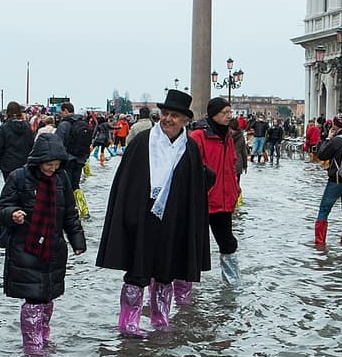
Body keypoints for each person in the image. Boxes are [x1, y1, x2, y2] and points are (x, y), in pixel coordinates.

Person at [96, 89, 210, 337]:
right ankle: (129, 323)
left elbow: (195, 187)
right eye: (165, 114)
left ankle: (160, 320)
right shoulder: (142, 141)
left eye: (174, 116)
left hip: (173, 222)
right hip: (142, 218)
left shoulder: (190, 148)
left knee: (165, 273)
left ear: (185, 121)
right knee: (137, 272)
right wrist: (128, 217)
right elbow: (126, 184)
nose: (168, 119)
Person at [0, 135, 86, 355]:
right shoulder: (18, 178)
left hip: (53, 249)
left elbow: (70, 214)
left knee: (47, 297)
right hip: (25, 248)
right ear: (37, 161)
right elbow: (0, 210)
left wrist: (77, 240)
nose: (51, 169)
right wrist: (12, 214)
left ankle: (44, 337)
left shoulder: (62, 178)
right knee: (33, 299)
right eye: (48, 164)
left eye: (56, 165)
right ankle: (33, 346)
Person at [190, 97, 242, 287]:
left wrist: (235, 189)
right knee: (192, 245)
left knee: (228, 243)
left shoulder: (228, 136)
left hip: (224, 201)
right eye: (225, 113)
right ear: (213, 114)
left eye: (230, 112)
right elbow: (191, 167)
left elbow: (231, 164)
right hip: (203, 201)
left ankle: (232, 286)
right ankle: (186, 287)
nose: (229, 116)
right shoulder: (198, 136)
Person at [312, 115, 342, 248]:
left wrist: (328, 138)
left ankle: (320, 243)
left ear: (336, 126)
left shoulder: (338, 140)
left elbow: (321, 154)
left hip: (336, 180)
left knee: (324, 210)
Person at [56, 103, 94, 218]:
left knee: (63, 186)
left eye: (61, 111)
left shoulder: (64, 124)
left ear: (66, 111)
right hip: (80, 160)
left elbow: (58, 143)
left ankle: (67, 212)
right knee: (76, 186)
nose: (60, 114)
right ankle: (84, 210)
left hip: (67, 160)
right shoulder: (83, 123)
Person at [0, 101, 35, 181]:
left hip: (8, 164)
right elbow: (32, 145)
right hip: (24, 163)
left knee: (10, 189)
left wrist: (1, 163)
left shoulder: (4, 128)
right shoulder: (27, 127)